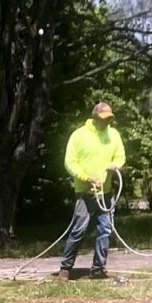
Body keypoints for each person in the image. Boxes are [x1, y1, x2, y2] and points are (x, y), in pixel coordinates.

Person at [57, 102, 126, 280]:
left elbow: (120, 156)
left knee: (106, 230)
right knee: (79, 229)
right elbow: (70, 162)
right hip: (85, 192)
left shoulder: (114, 135)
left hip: (106, 192)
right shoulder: (79, 135)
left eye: (110, 118)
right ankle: (65, 268)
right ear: (94, 117)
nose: (107, 122)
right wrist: (85, 178)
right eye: (104, 119)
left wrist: (115, 166)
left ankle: (98, 269)